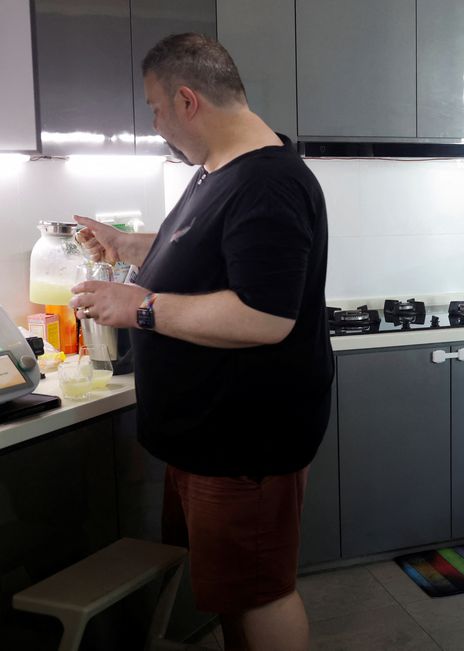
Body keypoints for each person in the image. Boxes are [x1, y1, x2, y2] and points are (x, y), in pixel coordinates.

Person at [69, 33, 333, 650]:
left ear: (187, 100)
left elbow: (266, 317)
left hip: (246, 441)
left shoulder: (267, 182)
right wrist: (133, 246)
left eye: (156, 108)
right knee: (234, 593)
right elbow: (213, 249)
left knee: (260, 592)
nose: (156, 124)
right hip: (210, 437)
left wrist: (143, 309)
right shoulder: (218, 173)